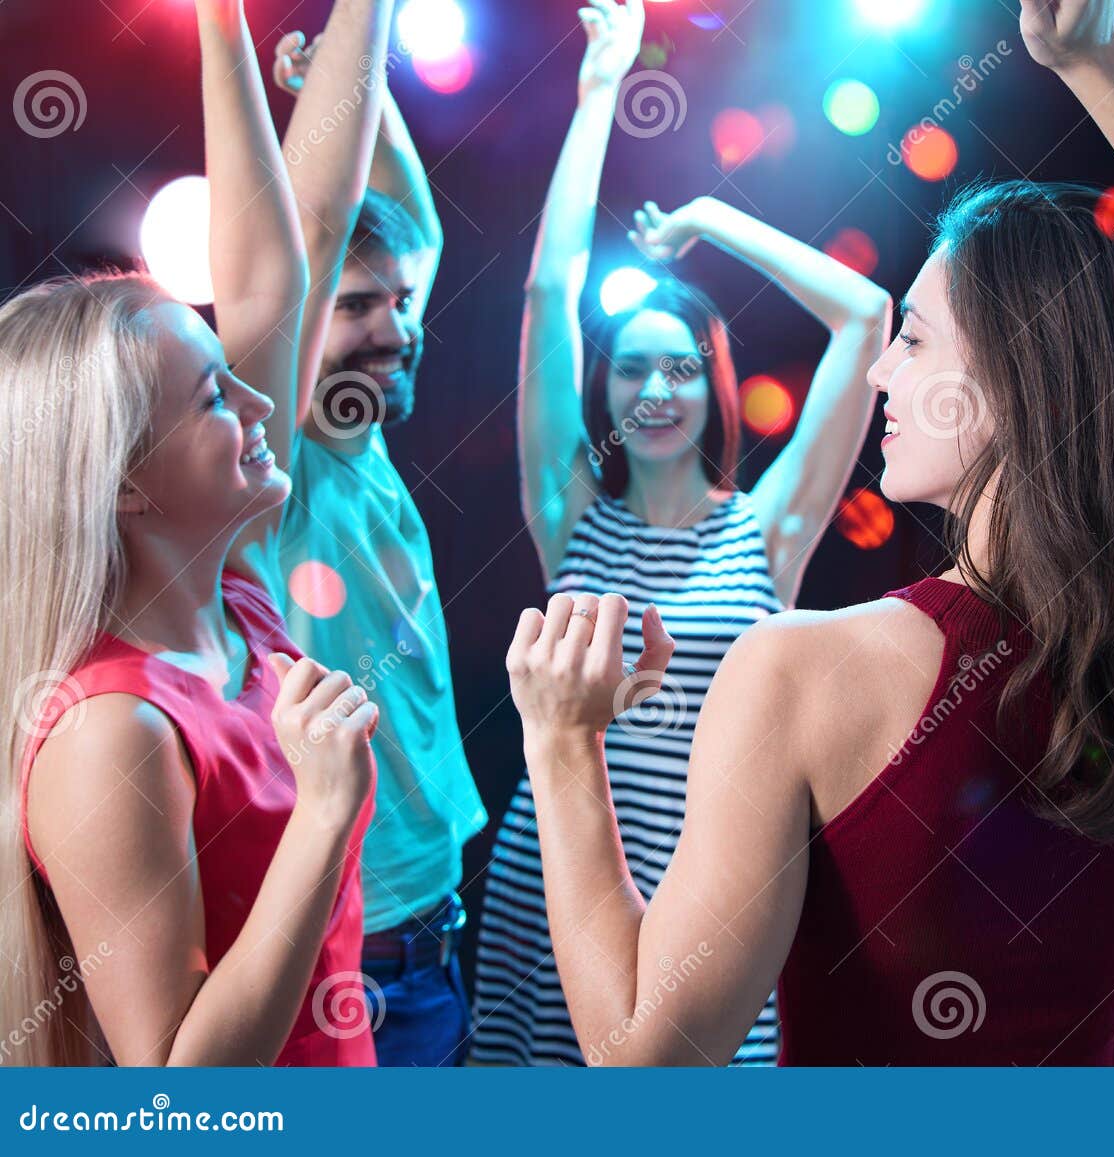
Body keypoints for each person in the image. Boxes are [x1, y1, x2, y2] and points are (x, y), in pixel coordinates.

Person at [496, 0, 1114, 1065]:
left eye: (918, 338)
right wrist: (1096, 59)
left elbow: (642, 1061)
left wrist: (564, 742)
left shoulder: (800, 667)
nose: (884, 368)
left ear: (1015, 386)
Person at [470, 0, 891, 1066]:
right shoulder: (568, 511)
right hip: (555, 871)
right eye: (630, 366)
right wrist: (599, 87)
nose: (654, 387)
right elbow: (549, 285)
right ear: (601, 384)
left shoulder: (771, 527)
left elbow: (863, 315)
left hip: (710, 881)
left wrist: (709, 216)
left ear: (714, 383)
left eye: (680, 365)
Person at [0, 0, 379, 1066]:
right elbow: (176, 1092)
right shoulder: (108, 733)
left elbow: (281, 263)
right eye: (217, 398)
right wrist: (323, 813)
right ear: (123, 482)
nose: (262, 407)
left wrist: (225, 21)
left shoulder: (235, 597)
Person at [267, 2, 487, 1065]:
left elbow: (416, 225)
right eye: (360, 307)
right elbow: (311, 231)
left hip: (433, 938)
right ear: (302, 316)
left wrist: (352, 89)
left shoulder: (358, 435)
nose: (398, 330)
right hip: (351, 961)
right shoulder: (274, 460)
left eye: (400, 303)